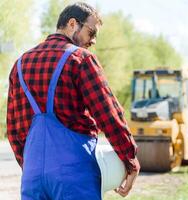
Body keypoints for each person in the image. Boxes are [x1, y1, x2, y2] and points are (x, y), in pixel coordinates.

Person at [6, 2, 140, 199]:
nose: (93, 41)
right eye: (91, 32)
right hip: (74, 176)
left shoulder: (19, 65)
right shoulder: (81, 59)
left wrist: (30, 166)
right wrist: (130, 158)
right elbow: (108, 114)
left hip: (32, 178)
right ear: (72, 24)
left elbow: (14, 129)